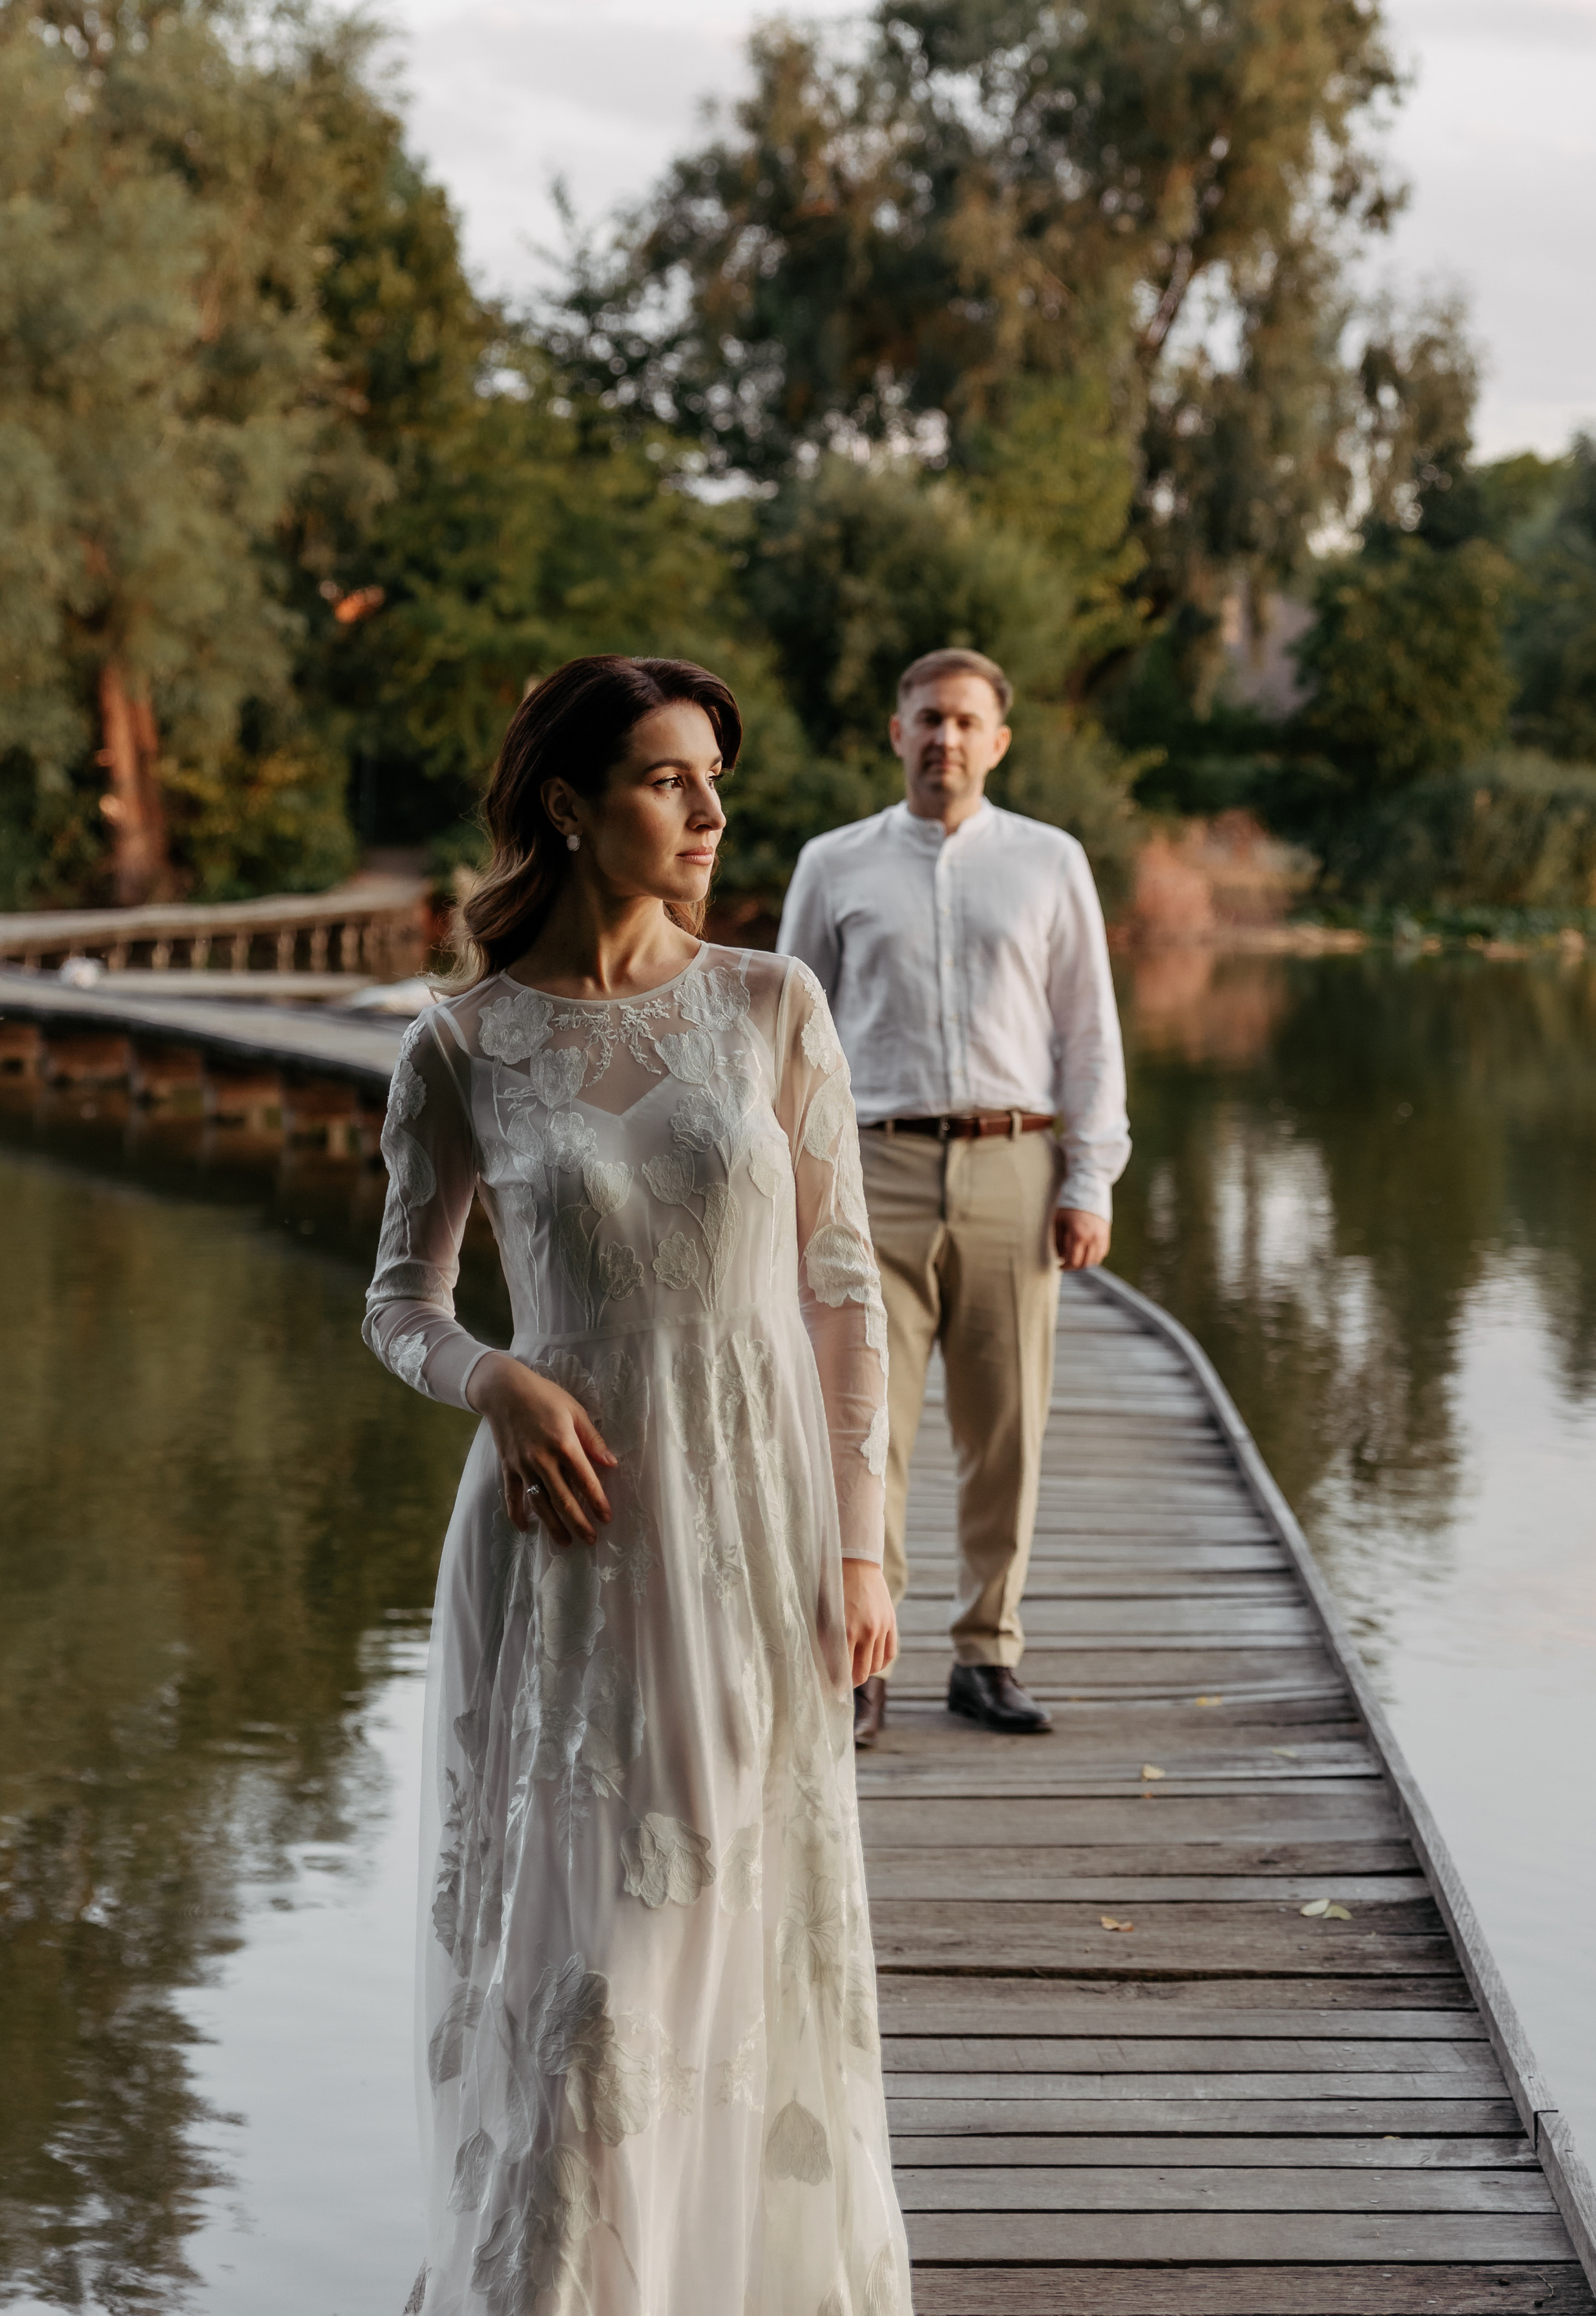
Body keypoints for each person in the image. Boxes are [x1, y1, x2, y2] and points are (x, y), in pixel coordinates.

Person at [364, 655, 909, 2316]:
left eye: (711, 778)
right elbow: (401, 1303)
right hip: (567, 1543)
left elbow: (842, 1293)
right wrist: (498, 1380)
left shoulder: (767, 1006)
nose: (711, 813)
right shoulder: (461, 1046)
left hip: (752, 1533)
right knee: (586, 1974)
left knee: (719, 1928)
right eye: (670, 780)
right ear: (568, 804)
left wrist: (869, 1552)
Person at [777, 649, 1129, 1745]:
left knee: (1006, 1425)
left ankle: (987, 1653)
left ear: (998, 740)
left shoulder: (1050, 862)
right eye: (930, 719)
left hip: (1014, 1168)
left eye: (968, 722)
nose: (947, 740)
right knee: (862, 1425)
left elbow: (1089, 1033)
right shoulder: (834, 865)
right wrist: (786, 1187)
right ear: (898, 732)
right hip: (869, 1167)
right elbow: (788, 1038)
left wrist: (1090, 1179)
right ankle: (861, 1663)